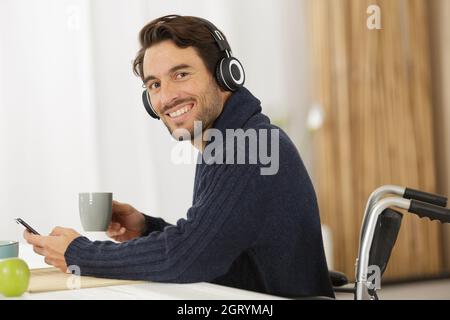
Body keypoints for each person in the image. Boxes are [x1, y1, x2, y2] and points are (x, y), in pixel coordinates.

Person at [24, 15, 334, 298]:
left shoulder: (247, 147)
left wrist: (80, 254)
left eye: (181, 74)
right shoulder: (231, 139)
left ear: (225, 75)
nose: (167, 97)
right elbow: (219, 252)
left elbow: (189, 258)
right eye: (155, 85)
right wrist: (146, 227)